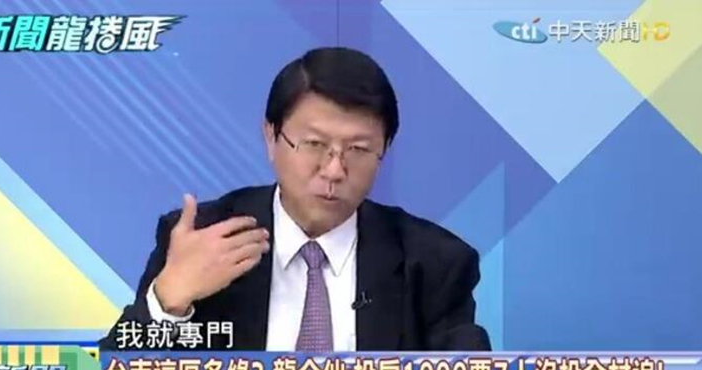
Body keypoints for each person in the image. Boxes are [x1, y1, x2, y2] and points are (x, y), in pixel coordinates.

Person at [100, 47, 490, 351]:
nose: (334, 170)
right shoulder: (203, 240)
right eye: (314, 144)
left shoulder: (435, 265)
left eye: (358, 149)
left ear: (384, 149)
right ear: (271, 137)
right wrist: (167, 301)